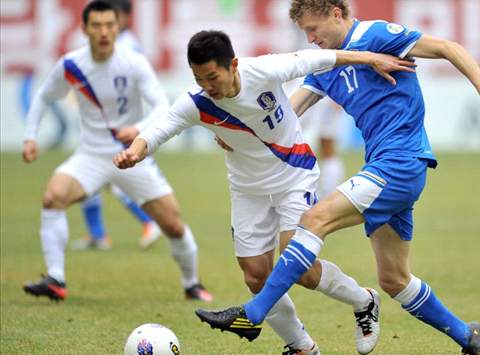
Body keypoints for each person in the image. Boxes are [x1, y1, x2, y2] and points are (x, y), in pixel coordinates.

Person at [194, 1, 480, 354]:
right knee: (395, 280)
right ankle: (468, 336)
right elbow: (288, 111)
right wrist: (240, 131)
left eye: (313, 29)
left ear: (336, 14)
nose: (310, 38)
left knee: (313, 220)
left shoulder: (375, 35)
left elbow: (447, 47)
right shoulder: (325, 66)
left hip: (400, 162)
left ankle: (253, 313)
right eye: (304, 32)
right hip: (385, 165)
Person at [114, 30, 416, 354]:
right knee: (255, 276)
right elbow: (161, 127)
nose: (207, 86)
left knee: (296, 264)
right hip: (247, 190)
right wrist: (135, 151)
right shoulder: (197, 102)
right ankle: (301, 346)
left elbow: (322, 58)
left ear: (233, 64)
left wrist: (370, 58)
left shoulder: (264, 70)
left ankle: (364, 300)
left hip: (294, 175)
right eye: (199, 78)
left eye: (212, 76)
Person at [21, 0, 213, 302]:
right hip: (91, 156)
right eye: (96, 26)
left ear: (118, 26)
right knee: (52, 196)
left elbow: (161, 105)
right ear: (84, 28)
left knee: (173, 224)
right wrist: (30, 136)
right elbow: (44, 97)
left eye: (109, 25)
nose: (104, 32)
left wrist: (138, 129)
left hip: (132, 156)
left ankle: (192, 283)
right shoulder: (71, 64)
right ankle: (55, 278)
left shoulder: (133, 62)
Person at [72, 0, 162, 251]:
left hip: (121, 125)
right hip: (102, 123)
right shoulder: (116, 43)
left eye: (113, 19)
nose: (105, 28)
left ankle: (148, 221)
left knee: (115, 177)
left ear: (123, 17)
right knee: (94, 180)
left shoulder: (127, 46)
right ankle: (98, 234)